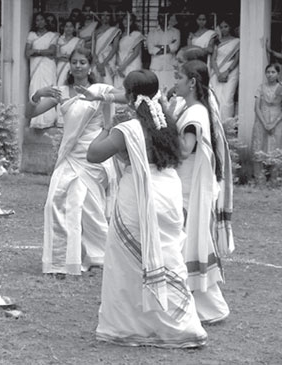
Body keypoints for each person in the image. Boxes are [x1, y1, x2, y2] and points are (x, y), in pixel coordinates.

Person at [87, 69, 207, 348]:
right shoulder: (167, 125)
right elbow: (181, 153)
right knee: (168, 257)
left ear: (129, 96)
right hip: (168, 193)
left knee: (127, 260)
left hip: (138, 196)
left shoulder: (127, 129)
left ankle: (128, 327)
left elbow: (93, 155)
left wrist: (106, 127)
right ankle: (181, 325)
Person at [26, 47, 115, 275]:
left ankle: (100, 256)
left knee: (90, 207)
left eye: (82, 62)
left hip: (94, 155)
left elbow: (123, 100)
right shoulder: (62, 91)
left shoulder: (99, 90)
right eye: (74, 62)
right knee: (55, 202)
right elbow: (30, 114)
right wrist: (38, 94)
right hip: (70, 155)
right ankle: (62, 258)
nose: (77, 66)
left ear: (90, 65)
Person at [174, 60, 230, 324]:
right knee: (186, 243)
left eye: (179, 77)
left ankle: (209, 308)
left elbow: (185, 149)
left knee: (186, 242)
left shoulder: (195, 113)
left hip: (187, 186)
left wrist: (161, 131)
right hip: (185, 183)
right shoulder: (193, 109)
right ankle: (199, 305)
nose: (175, 82)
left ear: (192, 82)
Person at [26, 13, 58, 129]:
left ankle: (49, 120)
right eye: (37, 20)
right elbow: (27, 53)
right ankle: (36, 120)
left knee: (49, 89)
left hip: (48, 66)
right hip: (35, 67)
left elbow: (52, 52)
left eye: (41, 20)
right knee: (35, 88)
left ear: (45, 22)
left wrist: (36, 51)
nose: (39, 22)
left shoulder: (53, 35)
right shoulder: (31, 35)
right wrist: (43, 52)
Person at [252, 63, 282, 179]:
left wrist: (273, 124)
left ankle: (275, 179)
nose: (270, 75)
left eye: (273, 72)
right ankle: (259, 179)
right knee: (260, 147)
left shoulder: (280, 88)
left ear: (278, 74)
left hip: (278, 122)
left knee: (276, 148)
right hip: (261, 121)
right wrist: (265, 124)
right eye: (268, 72)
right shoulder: (261, 87)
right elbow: (256, 108)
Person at [210, 18, 239, 122]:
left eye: (226, 26)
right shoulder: (217, 42)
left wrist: (227, 72)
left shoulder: (236, 42)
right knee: (215, 97)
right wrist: (218, 73)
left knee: (227, 99)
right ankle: (214, 123)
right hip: (217, 71)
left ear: (230, 27)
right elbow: (213, 59)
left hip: (231, 71)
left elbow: (237, 58)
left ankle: (227, 124)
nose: (223, 29)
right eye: (221, 27)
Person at [147, 12, 180, 94]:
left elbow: (174, 47)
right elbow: (151, 50)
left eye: (165, 17)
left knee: (170, 92)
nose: (163, 19)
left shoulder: (175, 32)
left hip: (170, 67)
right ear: (158, 18)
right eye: (161, 17)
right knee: (156, 92)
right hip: (156, 67)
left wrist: (158, 46)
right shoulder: (152, 33)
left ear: (168, 18)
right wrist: (168, 46)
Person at [113, 13, 143, 90]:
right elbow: (116, 51)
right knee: (119, 89)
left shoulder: (136, 34)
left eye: (130, 20)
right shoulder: (119, 34)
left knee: (132, 88)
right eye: (125, 19)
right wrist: (119, 66)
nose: (126, 22)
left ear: (133, 22)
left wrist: (124, 65)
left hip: (132, 64)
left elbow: (135, 53)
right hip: (120, 64)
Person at [92, 10, 121, 85]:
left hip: (108, 61)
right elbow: (93, 50)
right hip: (96, 61)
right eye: (103, 15)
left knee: (108, 85)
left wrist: (103, 64)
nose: (105, 17)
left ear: (110, 17)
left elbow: (114, 49)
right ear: (100, 16)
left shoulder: (114, 31)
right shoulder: (95, 31)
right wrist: (98, 64)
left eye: (107, 15)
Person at [55, 20, 82, 86]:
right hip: (61, 66)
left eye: (71, 26)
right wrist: (70, 57)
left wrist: (63, 56)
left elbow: (77, 56)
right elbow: (57, 55)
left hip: (73, 66)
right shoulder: (59, 40)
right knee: (60, 85)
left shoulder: (78, 41)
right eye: (66, 26)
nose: (68, 28)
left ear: (74, 28)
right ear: (63, 28)